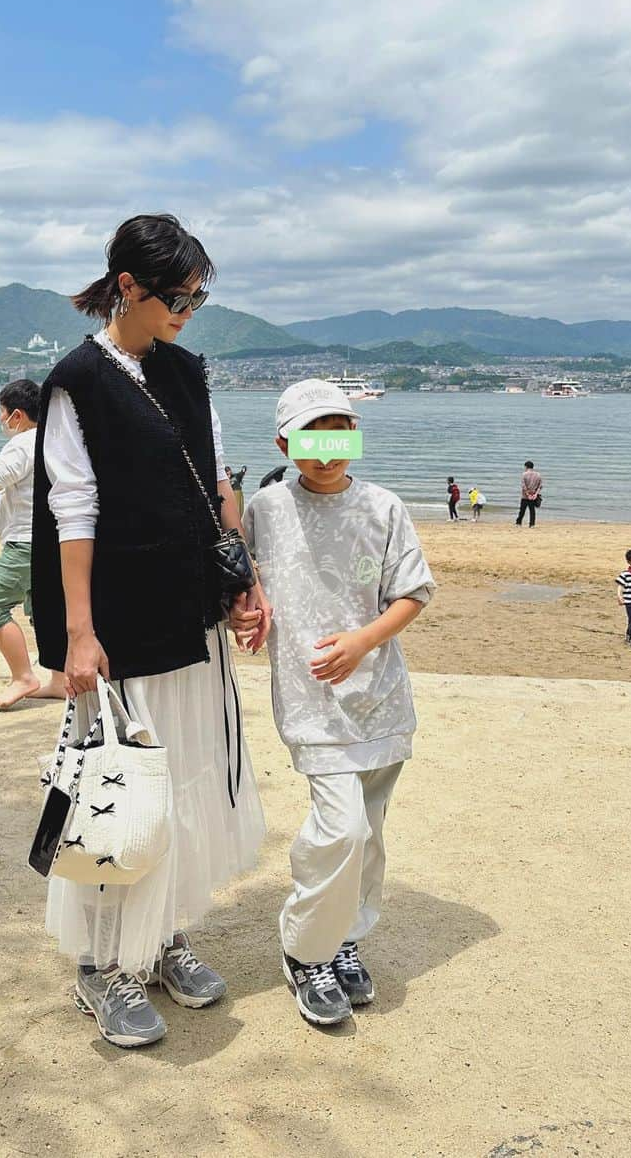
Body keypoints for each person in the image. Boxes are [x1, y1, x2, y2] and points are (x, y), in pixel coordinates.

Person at [31, 214, 268, 1049]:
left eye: (200, 296)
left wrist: (246, 582)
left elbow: (214, 483)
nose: (189, 309)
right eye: (178, 294)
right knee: (123, 792)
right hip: (123, 623)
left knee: (190, 781)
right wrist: (79, 634)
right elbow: (73, 511)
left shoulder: (185, 371)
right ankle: (102, 970)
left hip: (191, 608)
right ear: (127, 285)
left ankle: (162, 938)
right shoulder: (77, 382)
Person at [243, 379, 435, 1028]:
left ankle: (347, 935)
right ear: (283, 443)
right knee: (341, 827)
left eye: (338, 434)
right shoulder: (265, 509)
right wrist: (249, 610)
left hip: (380, 699)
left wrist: (361, 642)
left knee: (370, 831)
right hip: (309, 700)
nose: (327, 453)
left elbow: (411, 593)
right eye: (311, 437)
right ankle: (307, 950)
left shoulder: (383, 508)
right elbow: (243, 580)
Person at [0, 380, 65, 711]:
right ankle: (59, 680)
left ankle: (23, 677)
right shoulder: (54, 439)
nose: (0, 421)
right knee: (43, 610)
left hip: (23, 543)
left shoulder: (21, 443)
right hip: (52, 539)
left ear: (16, 415)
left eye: (2, 414)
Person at [516, 460, 542, 527]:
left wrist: (527, 494)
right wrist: (535, 494)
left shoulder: (524, 474)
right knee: (532, 511)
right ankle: (532, 524)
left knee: (522, 510)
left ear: (526, 466)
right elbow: (540, 486)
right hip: (533, 495)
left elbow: (523, 486)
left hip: (525, 496)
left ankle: (519, 523)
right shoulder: (538, 475)